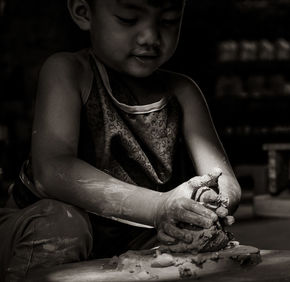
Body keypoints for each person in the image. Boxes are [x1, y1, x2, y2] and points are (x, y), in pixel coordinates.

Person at [0, 0, 241, 280]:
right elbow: (52, 171)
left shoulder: (184, 92)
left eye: (168, 21)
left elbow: (225, 180)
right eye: (128, 20)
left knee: (196, 242)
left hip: (131, 237)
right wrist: (158, 206)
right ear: (83, 12)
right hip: (38, 230)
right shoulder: (67, 71)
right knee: (62, 225)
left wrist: (208, 201)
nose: (150, 37)